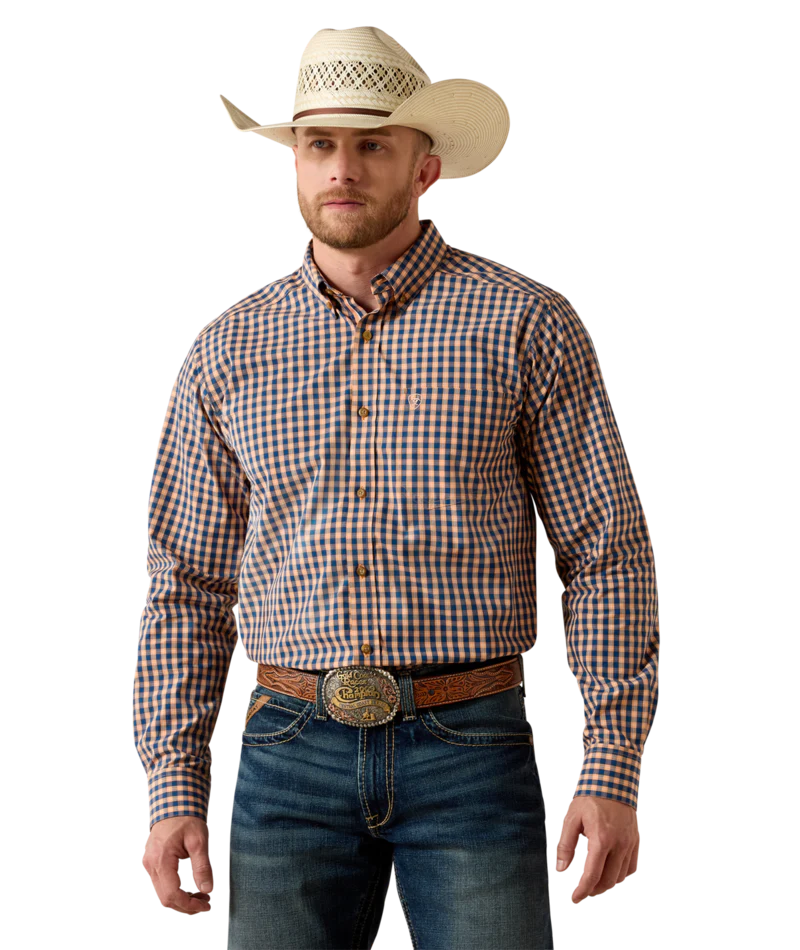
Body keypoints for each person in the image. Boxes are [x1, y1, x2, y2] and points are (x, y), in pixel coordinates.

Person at [133, 25, 660, 948]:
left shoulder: (526, 323)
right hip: (286, 753)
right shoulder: (227, 348)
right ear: (294, 162)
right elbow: (185, 583)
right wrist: (172, 789)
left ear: (424, 168)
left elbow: (606, 553)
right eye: (319, 144)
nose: (343, 168)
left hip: (474, 750)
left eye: (373, 144)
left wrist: (610, 770)